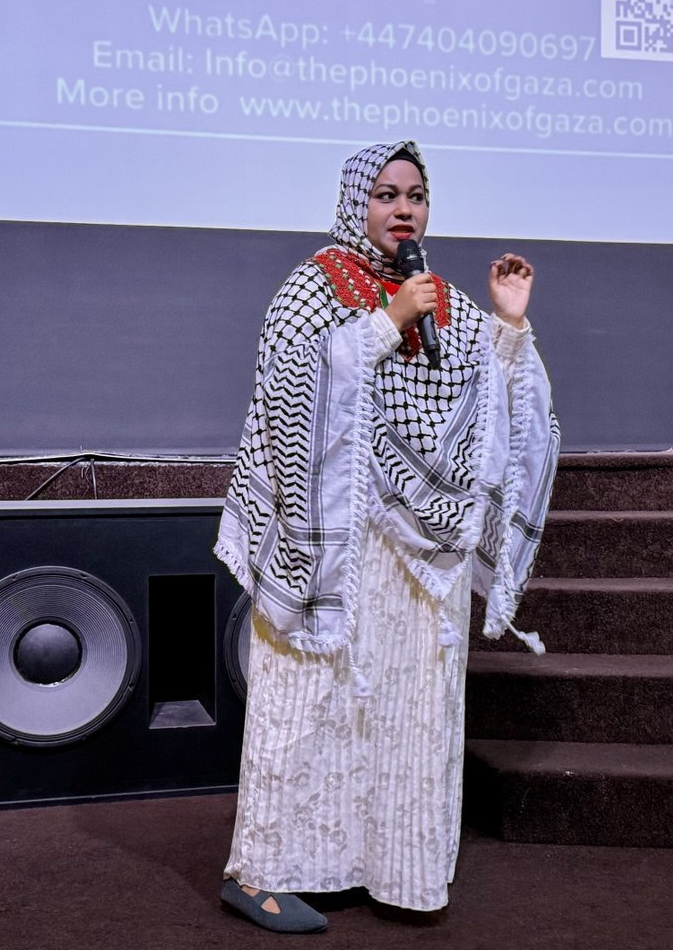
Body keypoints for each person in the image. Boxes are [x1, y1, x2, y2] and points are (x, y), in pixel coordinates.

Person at [214, 139, 558, 933]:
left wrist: (508, 327)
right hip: (334, 541)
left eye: (416, 195)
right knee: (308, 698)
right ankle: (259, 873)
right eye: (386, 194)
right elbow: (288, 392)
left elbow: (491, 409)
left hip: (422, 557)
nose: (404, 209)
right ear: (355, 203)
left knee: (409, 705)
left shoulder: (443, 298)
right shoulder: (312, 286)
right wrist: (384, 324)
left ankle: (390, 867)